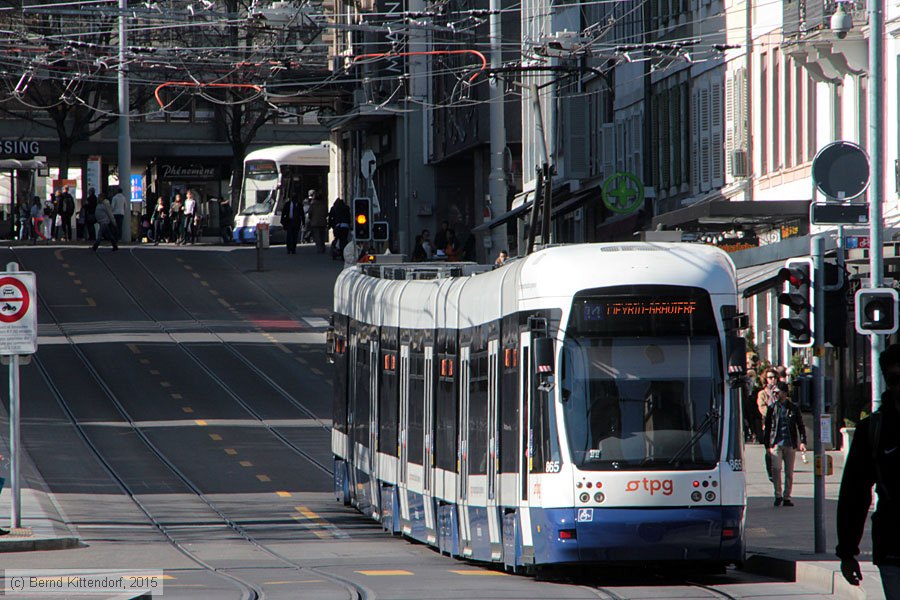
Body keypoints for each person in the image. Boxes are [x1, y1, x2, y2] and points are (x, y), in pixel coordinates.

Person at [836, 343, 900, 599]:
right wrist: (847, 552)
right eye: (894, 379)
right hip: (894, 547)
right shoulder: (874, 430)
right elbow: (854, 494)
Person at [763, 380, 807, 507]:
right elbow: (768, 427)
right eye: (775, 392)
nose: (776, 394)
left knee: (789, 472)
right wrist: (767, 445)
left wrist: (803, 441)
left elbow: (800, 425)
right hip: (776, 443)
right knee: (776, 469)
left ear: (785, 393)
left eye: (778, 392)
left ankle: (787, 496)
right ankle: (778, 494)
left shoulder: (793, 408)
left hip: (789, 443)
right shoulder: (772, 408)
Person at [306, 189, 328, 254]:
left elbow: (310, 213)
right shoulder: (324, 204)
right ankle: (323, 247)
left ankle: (319, 248)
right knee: (322, 235)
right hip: (323, 222)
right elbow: (326, 213)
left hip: (315, 222)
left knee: (317, 236)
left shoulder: (313, 204)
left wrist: (310, 219)